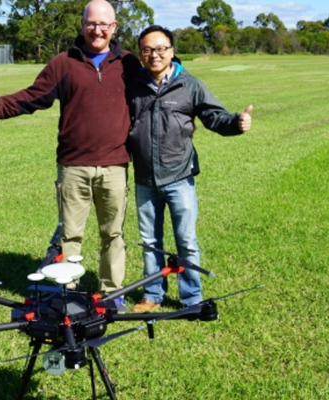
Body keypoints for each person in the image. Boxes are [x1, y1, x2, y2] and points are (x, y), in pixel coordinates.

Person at [0, 0, 141, 299]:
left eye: (104, 24)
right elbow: (34, 96)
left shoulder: (129, 63)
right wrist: (0, 105)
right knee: (71, 236)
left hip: (115, 165)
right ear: (81, 25)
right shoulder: (64, 62)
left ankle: (111, 293)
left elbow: (158, 81)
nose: (97, 30)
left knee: (114, 234)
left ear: (114, 27)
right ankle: (69, 294)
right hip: (73, 166)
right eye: (91, 23)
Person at [127, 25, 253, 313]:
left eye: (161, 49)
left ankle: (191, 298)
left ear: (172, 51)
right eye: (147, 50)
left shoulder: (189, 85)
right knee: (149, 242)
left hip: (179, 177)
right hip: (145, 178)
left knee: (186, 241)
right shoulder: (133, 84)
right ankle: (153, 294)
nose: (154, 55)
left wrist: (236, 122)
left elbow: (213, 116)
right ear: (140, 53)